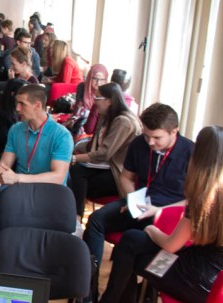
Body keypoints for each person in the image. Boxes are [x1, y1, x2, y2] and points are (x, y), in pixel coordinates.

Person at [86, 125, 223, 303]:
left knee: (131, 251)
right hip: (215, 284)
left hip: (197, 282)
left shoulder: (204, 198)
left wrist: (151, 230)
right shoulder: (214, 194)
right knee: (132, 241)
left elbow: (171, 245)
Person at [81, 103, 194, 266]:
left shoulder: (191, 152)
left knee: (134, 240)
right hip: (139, 203)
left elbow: (194, 200)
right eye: (147, 136)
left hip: (168, 212)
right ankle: (90, 275)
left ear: (174, 132)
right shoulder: (139, 143)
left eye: (157, 138)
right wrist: (133, 200)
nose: (150, 142)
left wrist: (160, 210)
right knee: (96, 221)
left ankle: (131, 280)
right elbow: (126, 177)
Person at [0, 85, 73, 247]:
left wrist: (17, 178)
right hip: (18, 190)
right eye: (17, 103)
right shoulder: (16, 129)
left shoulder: (61, 135)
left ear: (37, 105)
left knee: (14, 214)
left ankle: (13, 249)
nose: (17, 109)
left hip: (48, 194)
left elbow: (58, 177)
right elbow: (4, 164)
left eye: (22, 104)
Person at [69, 83, 141, 224]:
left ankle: (76, 218)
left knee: (76, 175)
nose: (94, 101)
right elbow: (95, 143)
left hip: (118, 171)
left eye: (97, 98)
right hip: (106, 166)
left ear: (109, 101)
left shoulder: (123, 122)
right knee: (75, 173)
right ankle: (75, 217)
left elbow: (103, 154)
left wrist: (73, 158)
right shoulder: (108, 116)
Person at [0, 79, 27, 164]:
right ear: (13, 94)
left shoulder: (20, 111)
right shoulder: (1, 112)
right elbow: (5, 138)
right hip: (5, 155)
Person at [70, 64, 109, 136]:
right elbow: (78, 111)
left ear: (105, 80)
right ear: (90, 78)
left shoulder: (108, 92)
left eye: (102, 80)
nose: (98, 83)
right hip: (82, 121)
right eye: (95, 79)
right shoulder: (82, 87)